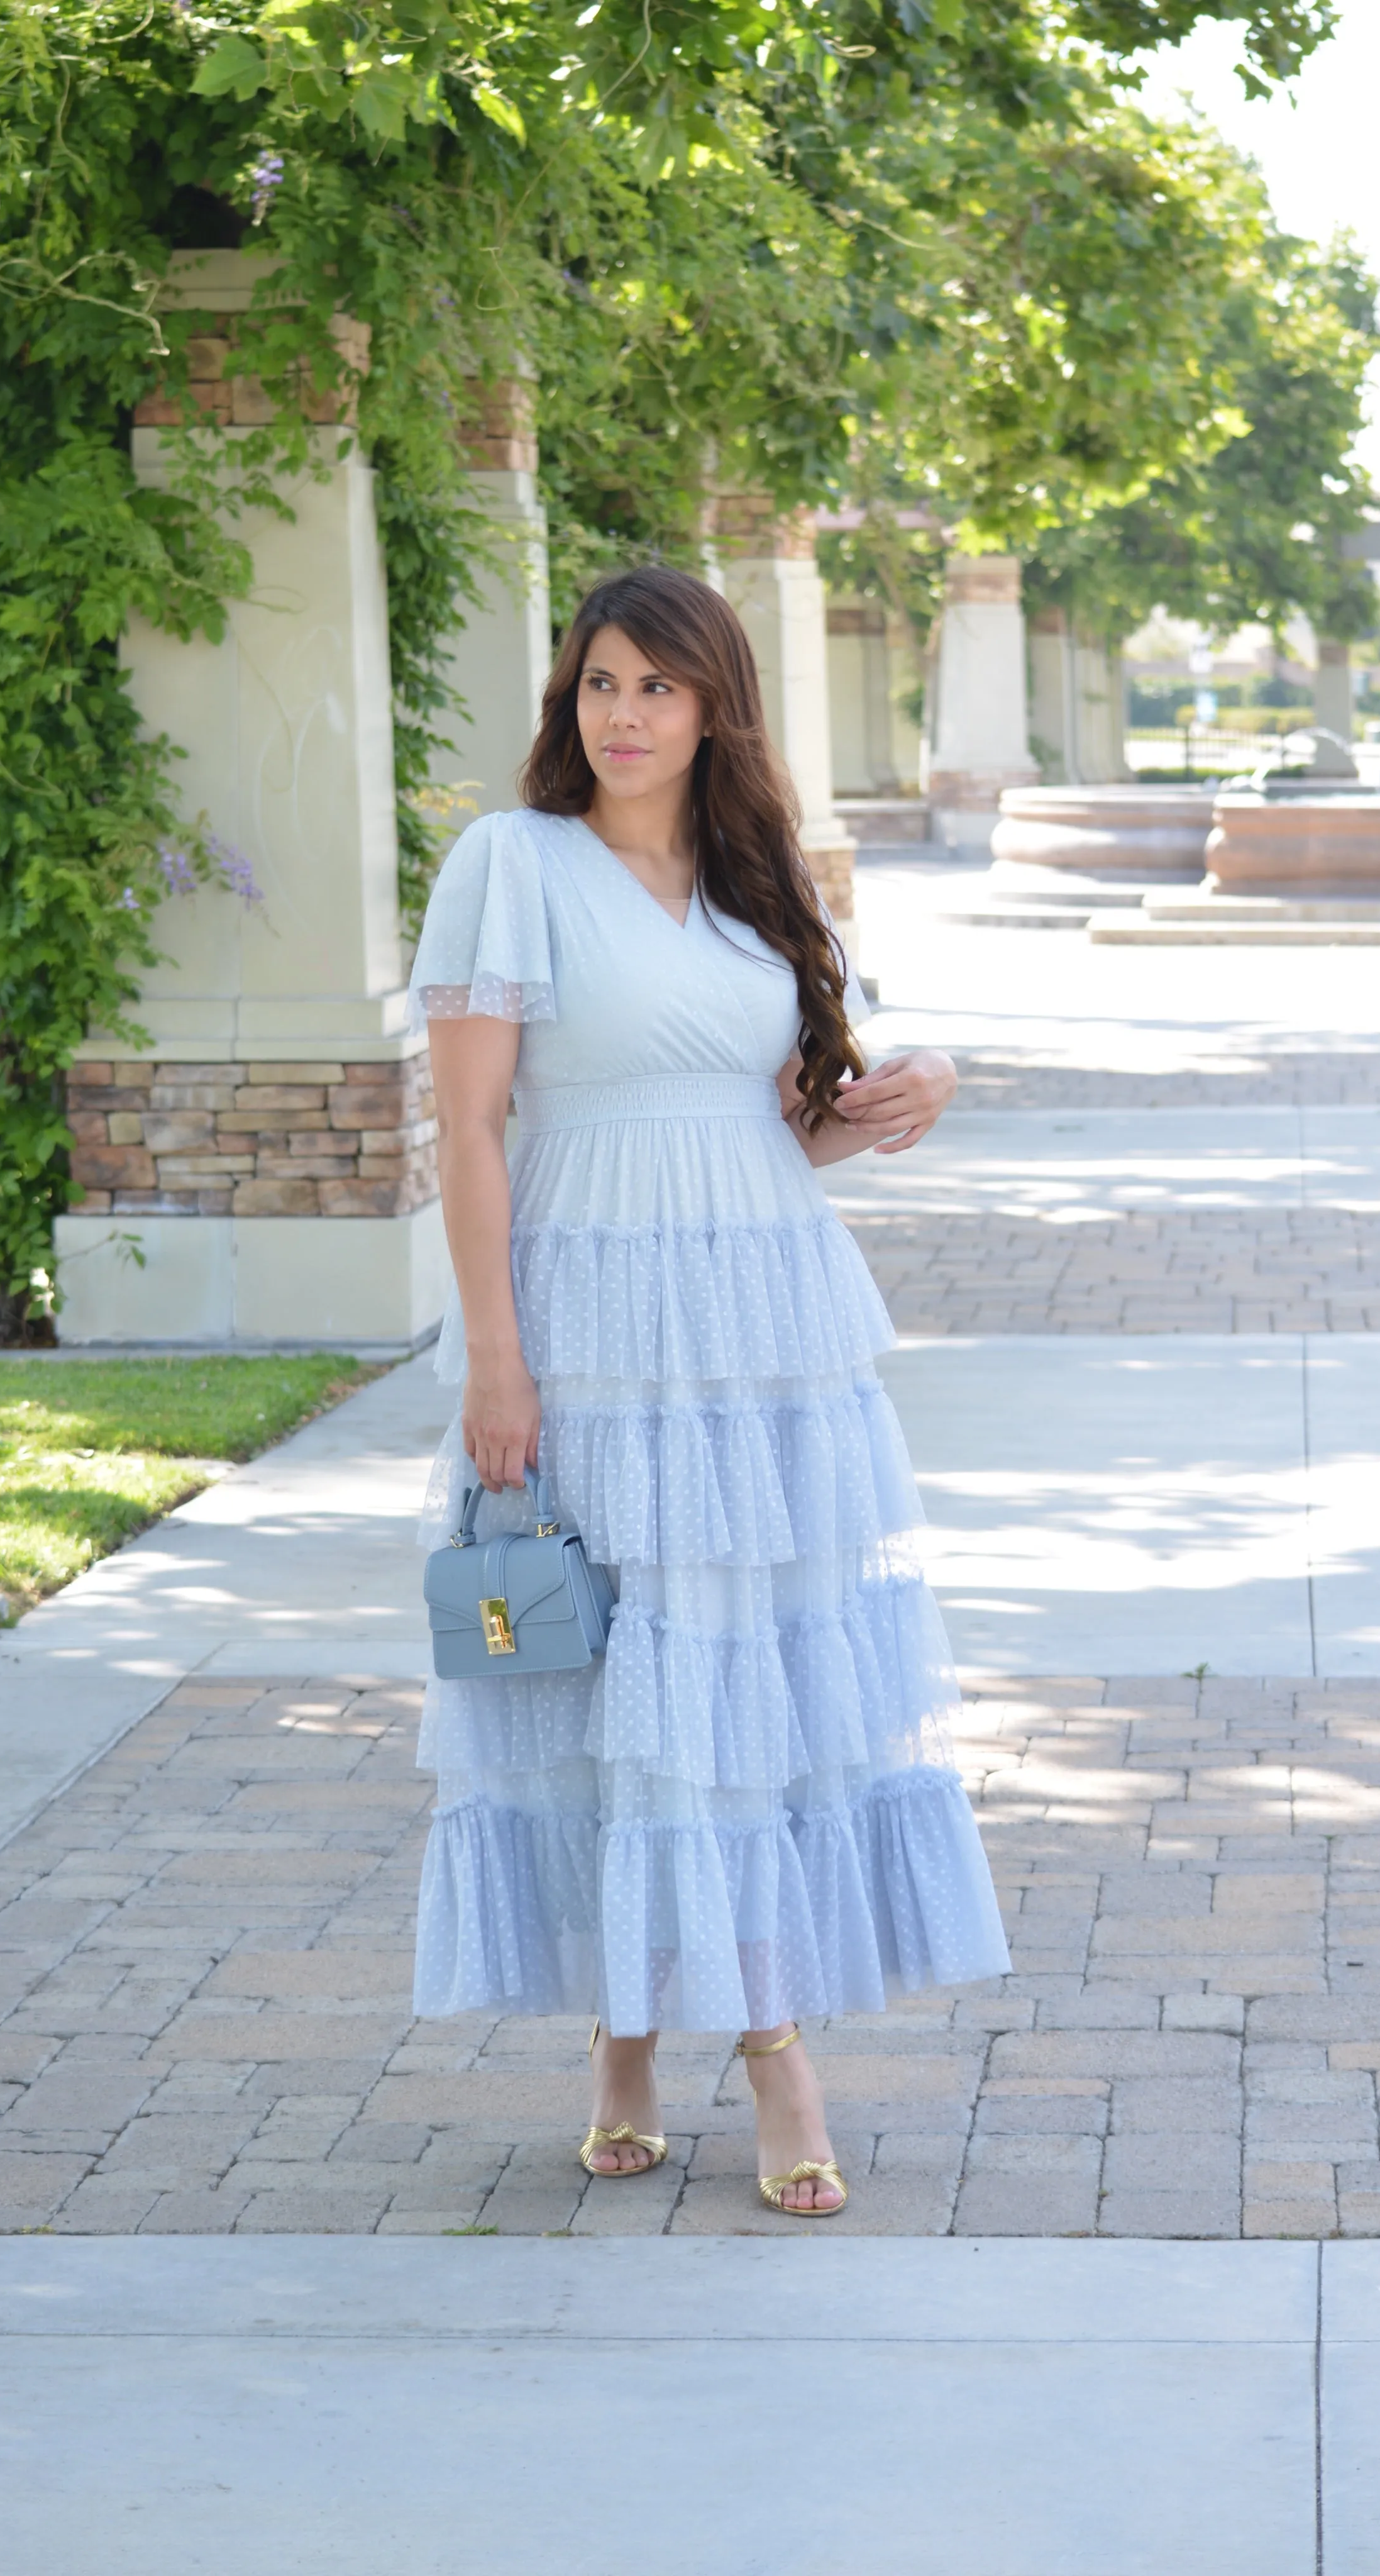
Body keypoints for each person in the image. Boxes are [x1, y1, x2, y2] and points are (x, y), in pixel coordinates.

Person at [407, 564, 1010, 2218]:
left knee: (743, 1690)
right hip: (589, 1327)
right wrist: (497, 1355)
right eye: (599, 685)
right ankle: (654, 2036)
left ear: (713, 707)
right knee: (615, 1680)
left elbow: (784, 1127)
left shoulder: (764, 887)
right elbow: (468, 1130)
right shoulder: (510, 866)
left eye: (657, 689)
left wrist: (905, 1097)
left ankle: (737, 2038)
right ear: (569, 702)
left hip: (765, 1340)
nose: (623, 716)